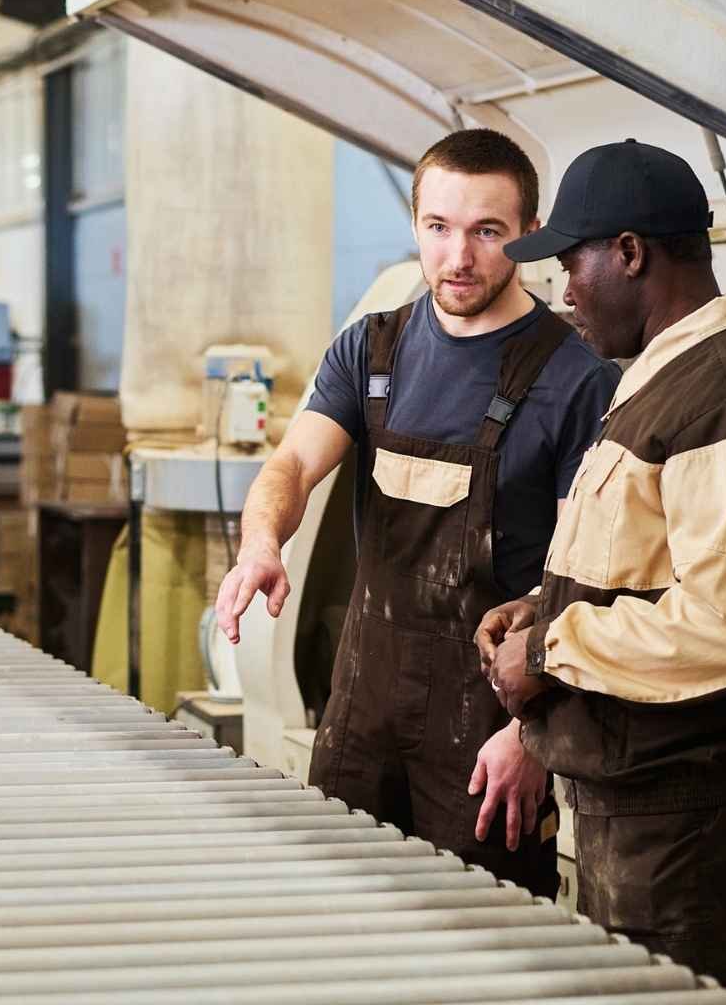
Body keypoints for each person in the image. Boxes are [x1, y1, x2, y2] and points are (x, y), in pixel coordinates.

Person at [216, 129, 618, 893]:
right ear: (414, 225)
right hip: (361, 708)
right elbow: (292, 465)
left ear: (529, 233)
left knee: (483, 933)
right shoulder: (370, 351)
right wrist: (261, 543)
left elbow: (588, 576)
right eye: (438, 227)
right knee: (344, 911)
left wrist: (532, 734)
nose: (457, 256)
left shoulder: (575, 379)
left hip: (491, 725)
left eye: (486, 231)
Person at [479, 139, 726, 1000]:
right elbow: (646, 562)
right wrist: (539, 606)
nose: (564, 291)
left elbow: (725, 625)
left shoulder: (725, 397)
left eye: (570, 263)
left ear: (629, 252)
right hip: (639, 813)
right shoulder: (659, 383)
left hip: (690, 829)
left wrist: (548, 651)